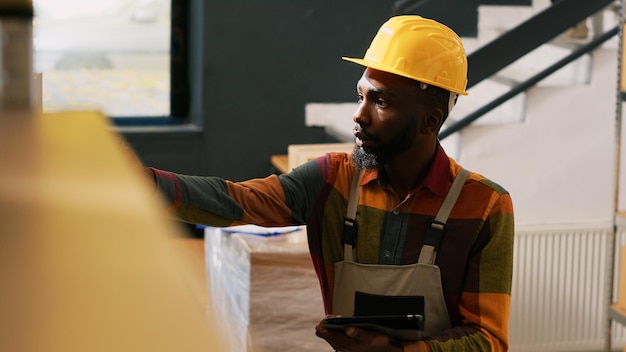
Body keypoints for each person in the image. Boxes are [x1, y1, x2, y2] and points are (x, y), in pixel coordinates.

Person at [145, 15, 514, 352]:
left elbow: (489, 340)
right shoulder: (330, 180)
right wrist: (143, 184)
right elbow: (238, 201)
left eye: (381, 101)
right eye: (361, 95)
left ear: (430, 121)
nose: (358, 114)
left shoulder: (485, 206)